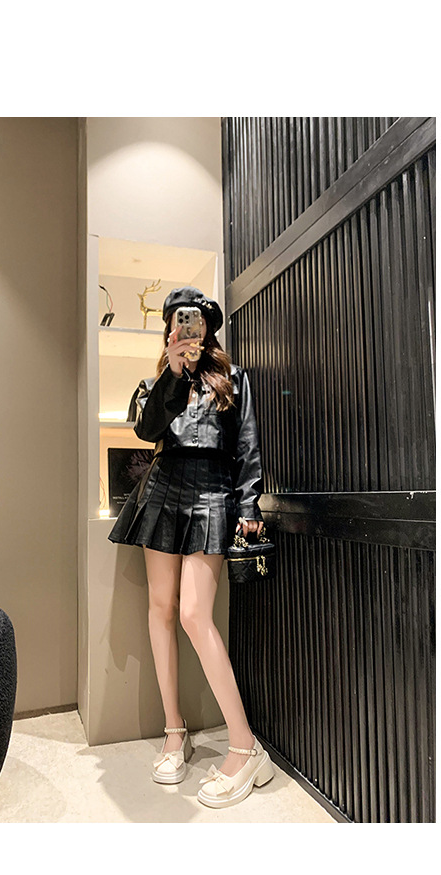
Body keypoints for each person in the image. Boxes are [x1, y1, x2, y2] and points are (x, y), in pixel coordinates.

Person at [107, 286, 275, 808]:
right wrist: (173, 374)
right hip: (163, 490)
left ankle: (245, 746)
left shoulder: (234, 379)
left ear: (208, 330)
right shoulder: (154, 383)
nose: (188, 331)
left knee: (194, 615)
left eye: (197, 323)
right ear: (169, 332)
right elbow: (146, 430)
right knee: (160, 610)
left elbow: (247, 446)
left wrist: (249, 505)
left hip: (212, 492)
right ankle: (174, 732)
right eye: (180, 324)